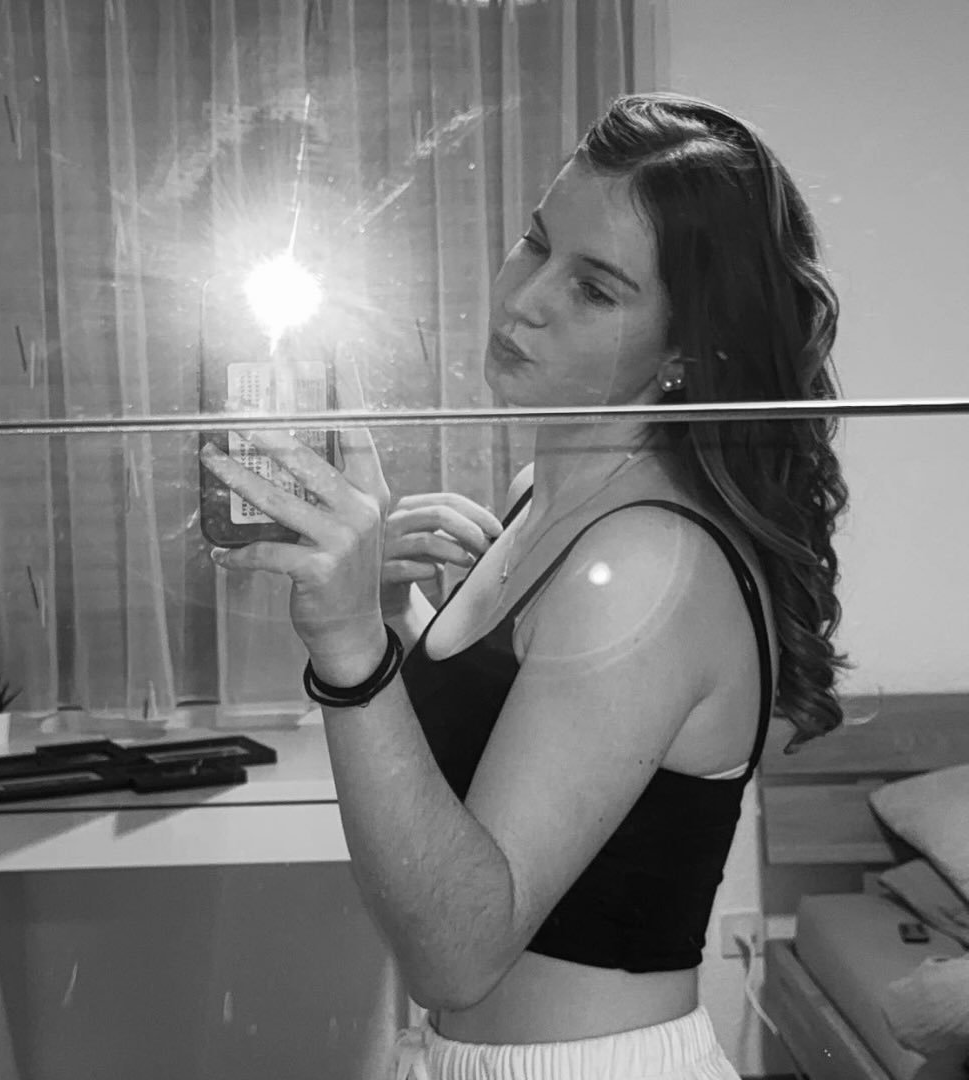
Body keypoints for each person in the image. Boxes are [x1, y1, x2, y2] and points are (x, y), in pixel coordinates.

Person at [200, 91, 849, 1080]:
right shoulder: (538, 501)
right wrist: (386, 609)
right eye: (535, 242)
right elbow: (487, 768)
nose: (526, 298)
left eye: (594, 288)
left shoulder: (647, 563)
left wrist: (352, 652)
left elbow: (457, 954)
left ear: (685, 352)